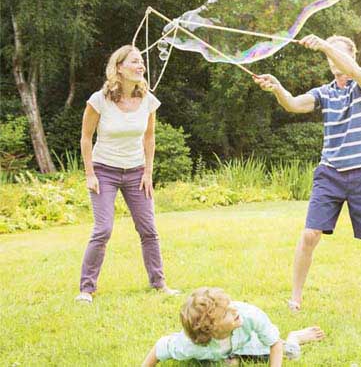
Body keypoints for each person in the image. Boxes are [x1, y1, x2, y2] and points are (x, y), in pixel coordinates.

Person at [253, 34, 361, 312]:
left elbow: (355, 72)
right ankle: (296, 298)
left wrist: (326, 45)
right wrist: (277, 88)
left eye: (339, 53)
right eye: (329, 54)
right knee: (309, 235)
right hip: (330, 173)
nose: (333, 59)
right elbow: (293, 104)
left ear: (351, 56)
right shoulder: (323, 93)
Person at [75, 45, 178, 303]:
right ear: (119, 67)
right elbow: (86, 138)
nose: (140, 65)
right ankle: (86, 289)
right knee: (103, 230)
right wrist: (90, 173)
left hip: (136, 172)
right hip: (104, 171)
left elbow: (150, 138)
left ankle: (159, 284)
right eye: (134, 61)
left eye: (141, 61)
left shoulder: (148, 100)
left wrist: (148, 172)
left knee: (149, 230)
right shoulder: (99, 100)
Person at [141, 287, 325, 366]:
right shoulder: (188, 345)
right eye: (226, 312)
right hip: (218, 349)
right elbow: (159, 348)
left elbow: (274, 343)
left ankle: (295, 337)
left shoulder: (248, 315)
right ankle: (229, 357)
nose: (234, 309)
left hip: (249, 342)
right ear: (209, 329)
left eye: (230, 303)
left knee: (290, 352)